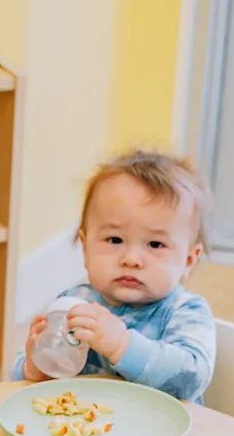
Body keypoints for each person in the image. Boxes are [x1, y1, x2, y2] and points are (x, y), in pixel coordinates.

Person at [14, 150, 216, 403]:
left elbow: (190, 380)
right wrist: (34, 367)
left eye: (154, 244)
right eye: (115, 240)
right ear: (85, 247)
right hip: (82, 431)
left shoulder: (184, 311)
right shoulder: (76, 301)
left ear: (188, 259)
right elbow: (24, 380)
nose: (131, 259)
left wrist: (121, 345)